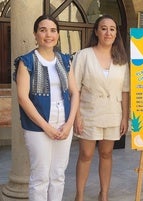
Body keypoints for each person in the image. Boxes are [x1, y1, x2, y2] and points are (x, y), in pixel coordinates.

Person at [13, 15, 79, 201]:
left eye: (52, 30)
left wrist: (69, 124)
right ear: (35, 34)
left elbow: (75, 93)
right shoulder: (26, 62)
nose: (48, 34)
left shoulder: (65, 60)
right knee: (40, 177)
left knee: (58, 175)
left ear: (58, 34)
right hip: (38, 127)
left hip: (64, 125)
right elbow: (23, 98)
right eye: (42, 30)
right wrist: (47, 127)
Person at [72, 14, 129, 201]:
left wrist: (124, 117)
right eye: (104, 28)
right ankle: (79, 194)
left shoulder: (121, 59)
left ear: (116, 33)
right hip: (89, 112)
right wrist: (76, 117)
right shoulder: (83, 55)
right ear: (96, 31)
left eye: (112, 29)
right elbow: (75, 89)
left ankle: (103, 194)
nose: (108, 32)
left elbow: (125, 91)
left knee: (106, 153)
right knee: (86, 154)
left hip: (113, 112)